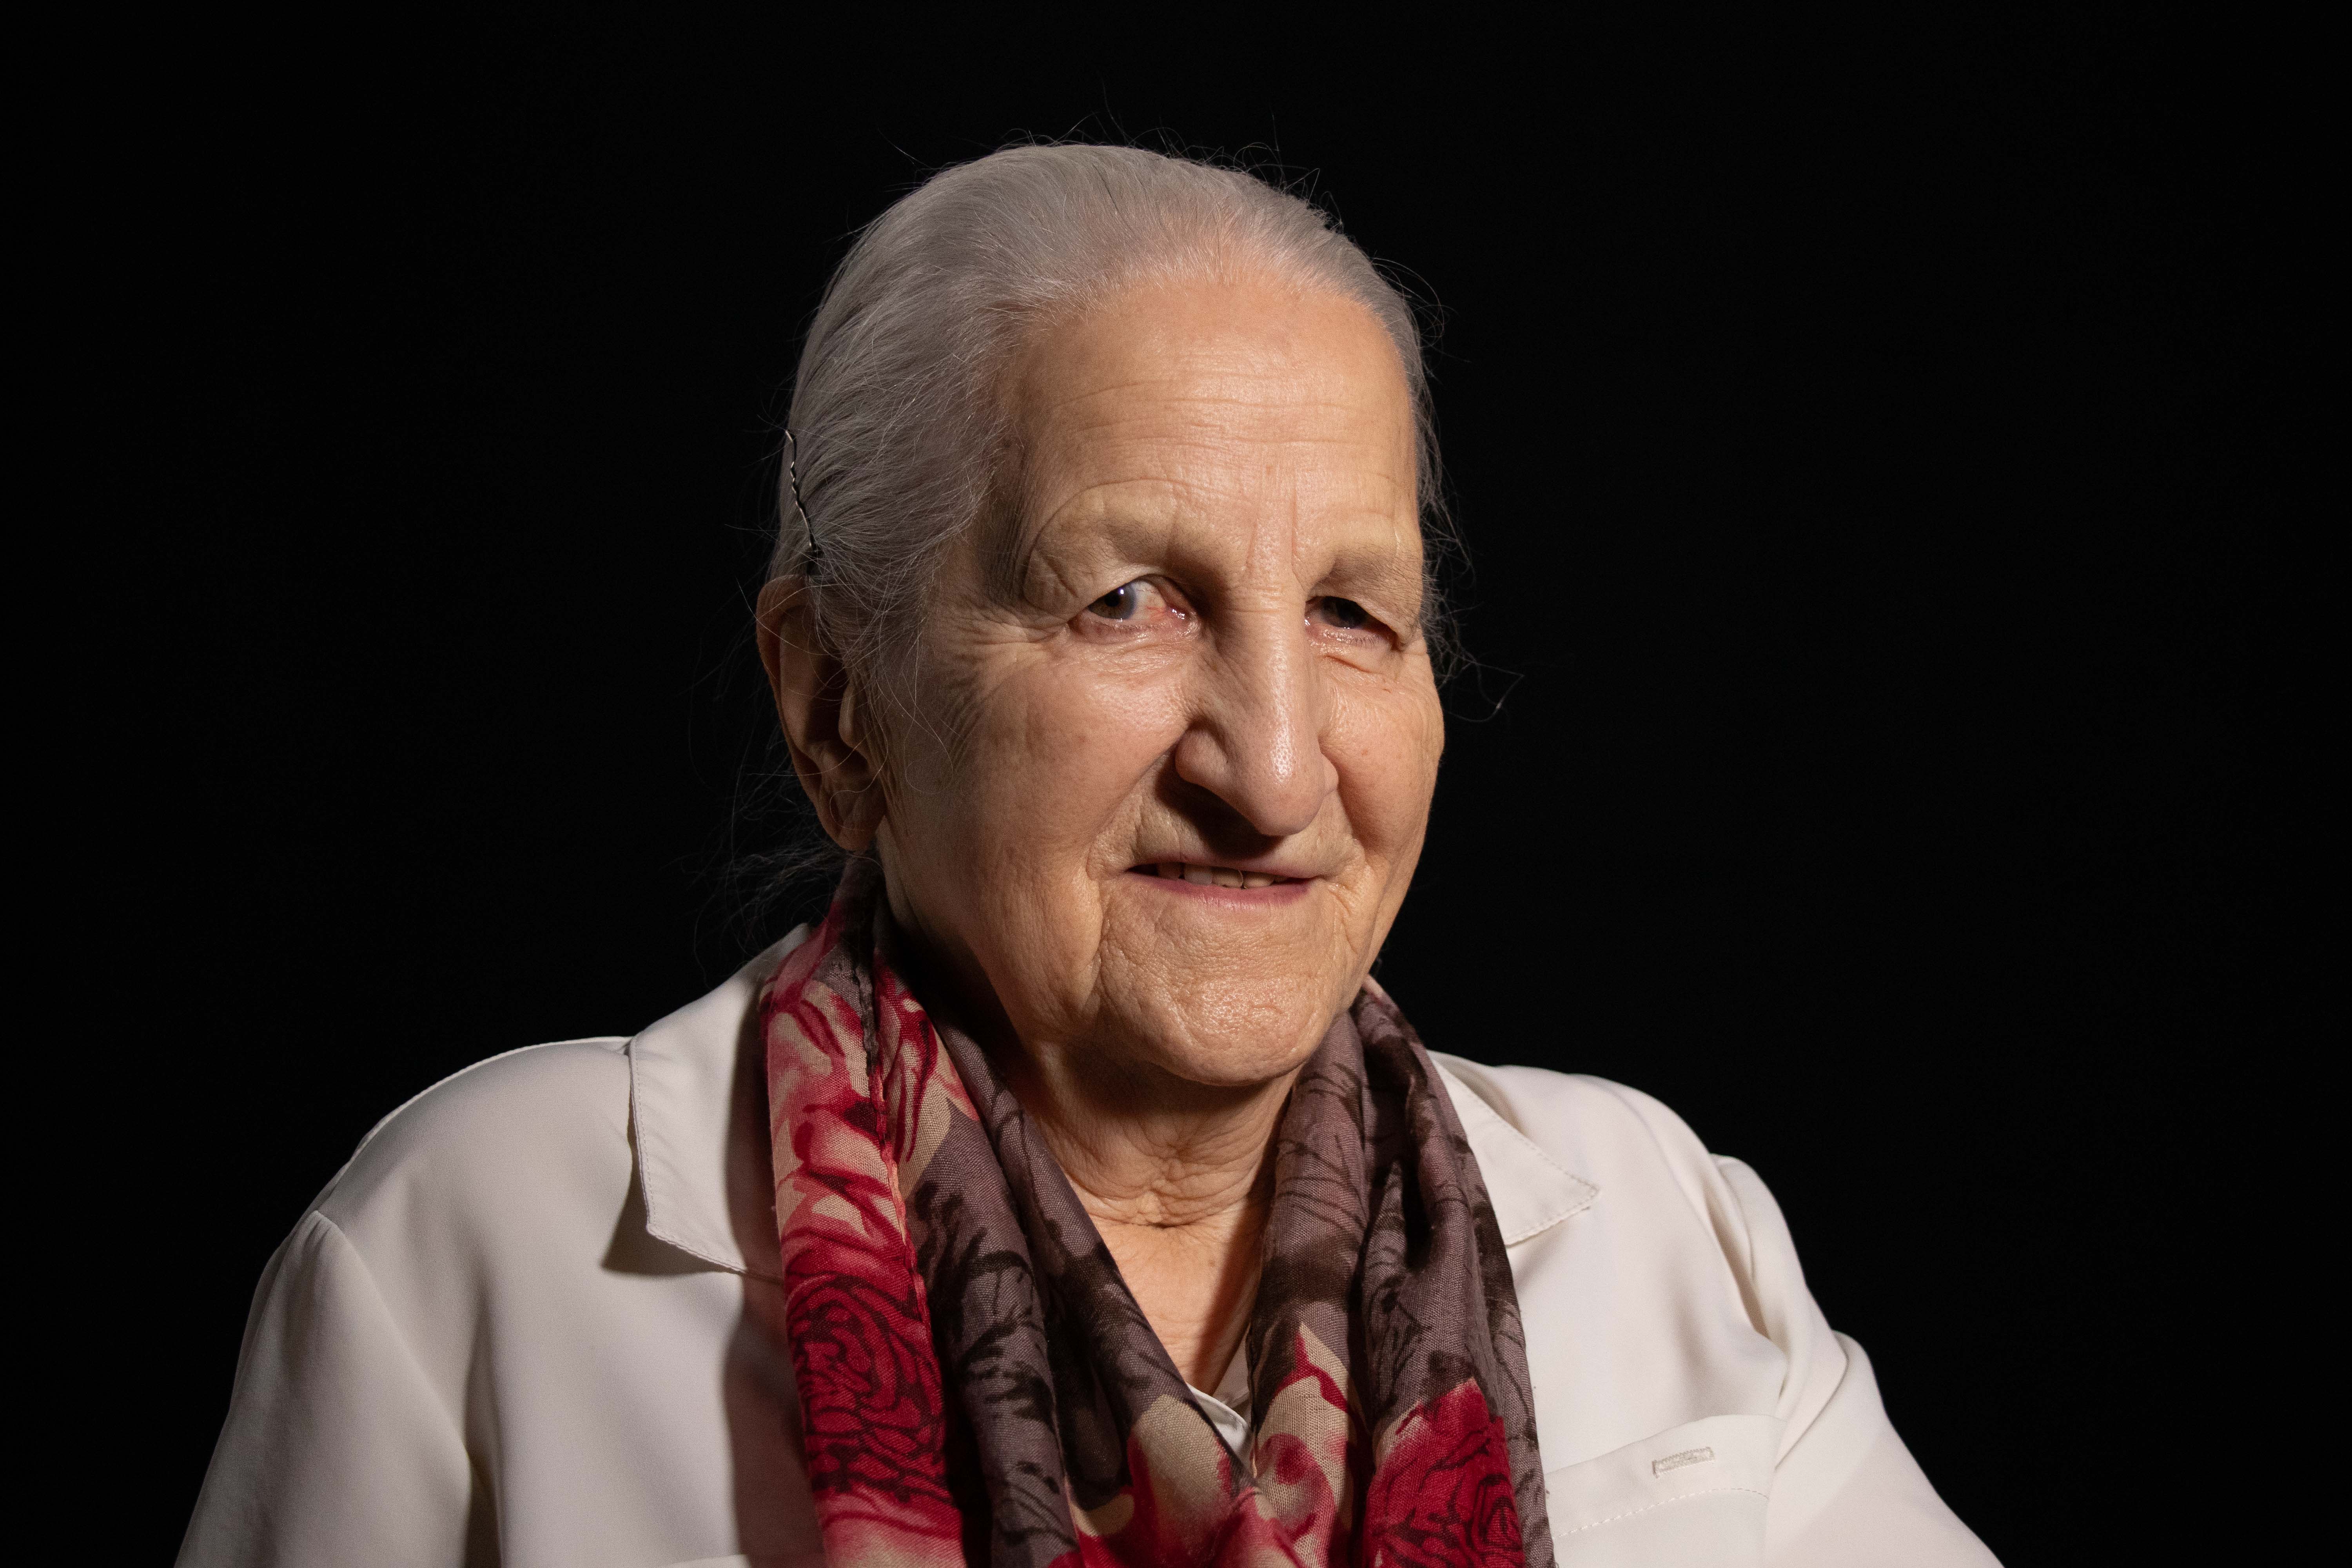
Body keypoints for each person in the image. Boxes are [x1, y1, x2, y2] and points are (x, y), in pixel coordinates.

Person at [181, 143, 1998, 1567]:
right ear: (839, 708)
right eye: (1130, 599)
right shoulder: (477, 1250)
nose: (1271, 767)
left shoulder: (1665, 1222)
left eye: (1354, 612)